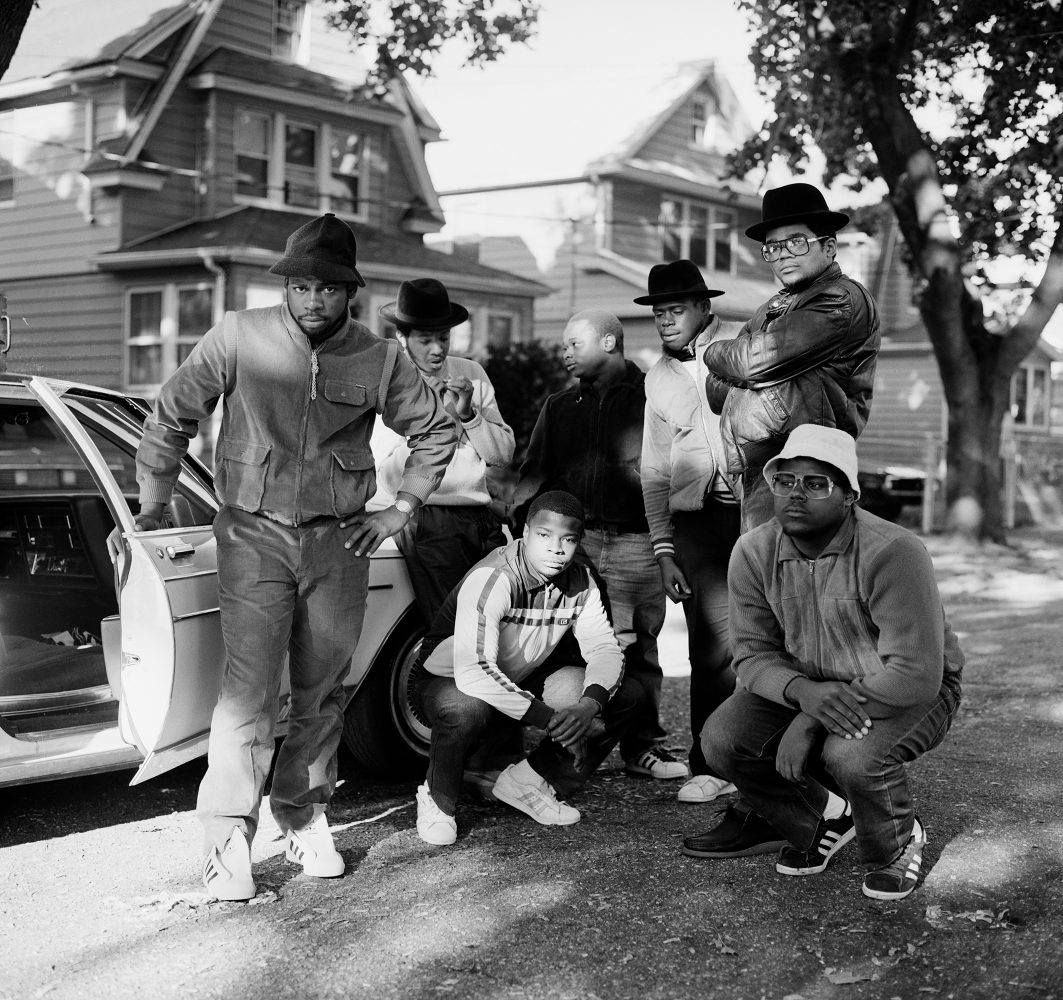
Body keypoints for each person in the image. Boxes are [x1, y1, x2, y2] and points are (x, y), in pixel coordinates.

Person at [133, 214, 457, 901]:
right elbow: (170, 411)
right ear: (287, 285)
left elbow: (434, 430)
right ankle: (226, 841)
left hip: (339, 539)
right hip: (251, 535)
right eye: (302, 285)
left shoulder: (380, 357)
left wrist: (402, 507)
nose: (312, 300)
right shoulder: (237, 336)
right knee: (247, 694)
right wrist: (155, 500)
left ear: (350, 293)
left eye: (328, 288)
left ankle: (303, 813)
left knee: (321, 688)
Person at [682, 424, 963, 901]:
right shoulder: (753, 551)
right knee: (722, 739)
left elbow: (915, 673)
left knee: (849, 753)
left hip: (909, 689)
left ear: (849, 496)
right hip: (809, 683)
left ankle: (896, 842)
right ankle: (824, 819)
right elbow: (751, 655)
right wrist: (801, 693)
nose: (796, 494)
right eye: (785, 481)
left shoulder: (894, 551)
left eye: (816, 484)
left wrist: (811, 718)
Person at [413, 490, 644, 846]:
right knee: (464, 708)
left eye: (568, 539)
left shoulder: (581, 581)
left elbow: (603, 649)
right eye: (544, 536)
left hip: (519, 676)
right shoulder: (495, 576)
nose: (556, 548)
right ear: (524, 532)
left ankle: (531, 780)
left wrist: (587, 706)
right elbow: (474, 670)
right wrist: (547, 718)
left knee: (624, 695)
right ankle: (438, 799)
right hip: (449, 679)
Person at [509, 310, 681, 784]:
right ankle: (567, 738)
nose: (564, 353)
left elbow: (672, 471)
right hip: (577, 545)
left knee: (637, 647)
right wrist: (520, 524)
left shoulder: (653, 399)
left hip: (638, 543)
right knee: (572, 645)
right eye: (563, 345)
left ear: (609, 342)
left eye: (573, 344)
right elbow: (535, 472)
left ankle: (641, 747)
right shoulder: (559, 406)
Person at [703, 182, 881, 532]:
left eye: (796, 242)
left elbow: (752, 361)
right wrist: (748, 372)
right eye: (773, 247)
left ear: (829, 247)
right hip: (765, 468)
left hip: (807, 471)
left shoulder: (838, 300)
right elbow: (713, 392)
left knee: (791, 577)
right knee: (757, 572)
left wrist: (712, 352)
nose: (783, 254)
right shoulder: (771, 308)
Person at [635, 261, 745, 803]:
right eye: (658, 314)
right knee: (711, 644)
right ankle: (712, 763)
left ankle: (787, 754)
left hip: (757, 511)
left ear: (705, 307)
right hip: (697, 525)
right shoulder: (657, 378)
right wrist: (664, 551)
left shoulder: (745, 346)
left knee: (780, 632)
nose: (666, 322)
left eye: (676, 310)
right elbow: (654, 471)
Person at [372, 277, 513, 626]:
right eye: (425, 339)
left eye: (444, 337)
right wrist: (434, 412)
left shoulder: (471, 374)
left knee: (496, 623)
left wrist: (468, 413)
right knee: (455, 629)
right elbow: (384, 465)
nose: (437, 349)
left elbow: (502, 454)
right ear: (402, 339)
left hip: (481, 518)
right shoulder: (386, 381)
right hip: (428, 519)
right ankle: (445, 682)